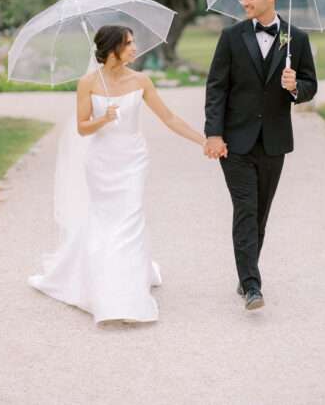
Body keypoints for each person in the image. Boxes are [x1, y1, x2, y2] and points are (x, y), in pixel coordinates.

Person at [29, 24, 204, 324]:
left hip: (133, 160)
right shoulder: (87, 83)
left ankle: (129, 293)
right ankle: (106, 286)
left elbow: (169, 117)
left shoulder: (141, 80)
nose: (135, 48)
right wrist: (103, 118)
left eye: (134, 42)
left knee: (131, 218)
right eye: (129, 43)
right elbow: (82, 128)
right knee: (106, 221)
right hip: (101, 162)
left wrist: (203, 141)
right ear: (112, 49)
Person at [204, 0, 317, 310]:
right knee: (246, 210)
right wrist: (213, 133)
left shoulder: (296, 39)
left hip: (274, 142)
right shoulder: (231, 37)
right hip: (235, 143)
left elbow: (311, 86)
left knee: (261, 213)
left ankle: (245, 273)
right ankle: (253, 285)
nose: (244, 2)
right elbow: (216, 89)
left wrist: (294, 85)